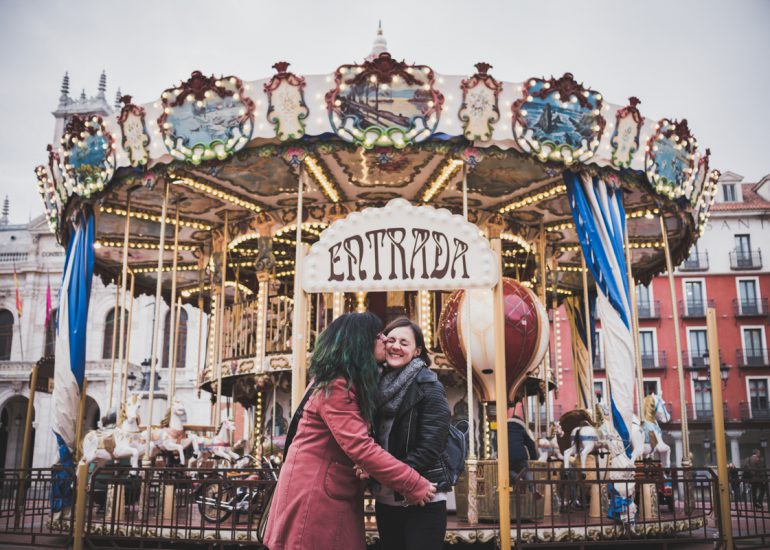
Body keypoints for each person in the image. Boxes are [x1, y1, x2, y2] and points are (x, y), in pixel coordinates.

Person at [263, 312, 435, 550]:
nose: (385, 340)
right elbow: (360, 447)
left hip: (325, 487)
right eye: (378, 335)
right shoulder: (337, 385)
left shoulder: (340, 380)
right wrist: (413, 483)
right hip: (317, 494)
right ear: (360, 342)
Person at [372, 317, 452, 550]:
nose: (396, 346)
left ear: (417, 351)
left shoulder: (429, 387)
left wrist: (389, 474)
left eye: (404, 343)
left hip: (423, 497)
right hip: (386, 499)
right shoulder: (374, 386)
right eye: (392, 340)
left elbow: (431, 446)